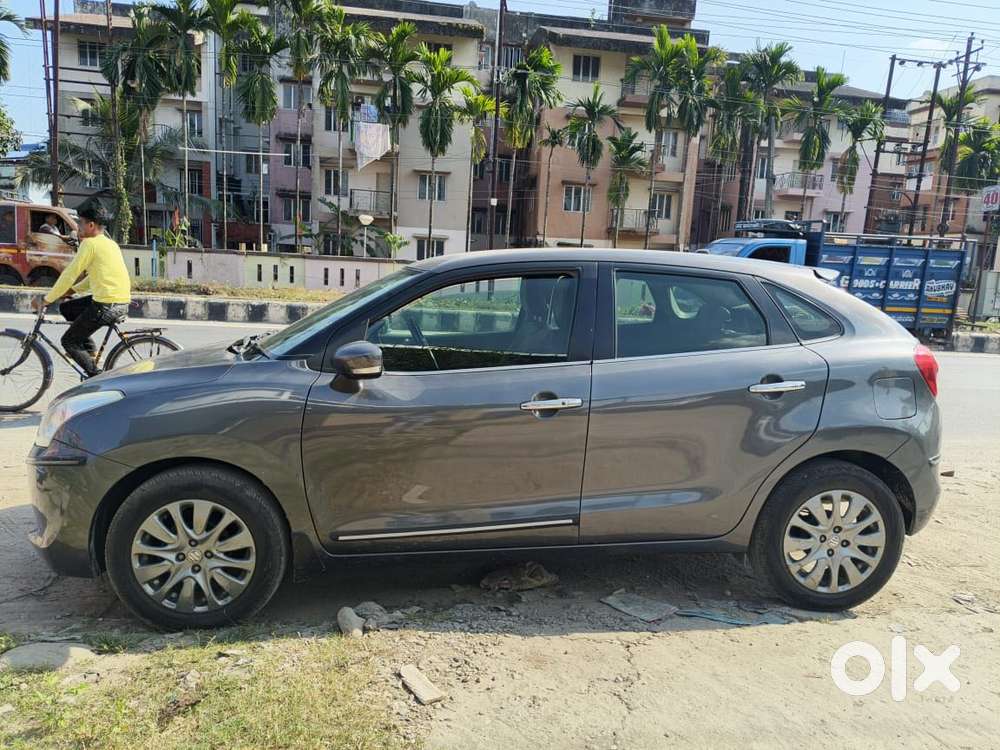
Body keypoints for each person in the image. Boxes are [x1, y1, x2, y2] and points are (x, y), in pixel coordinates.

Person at [31, 203, 131, 377]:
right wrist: (71, 291)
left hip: (106, 305)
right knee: (67, 308)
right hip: (118, 302)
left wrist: (47, 299)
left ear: (91, 225)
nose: (77, 227)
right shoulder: (109, 243)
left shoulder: (89, 244)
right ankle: (90, 352)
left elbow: (69, 274)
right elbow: (94, 277)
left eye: (80, 223)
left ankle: (96, 377)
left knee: (69, 341)